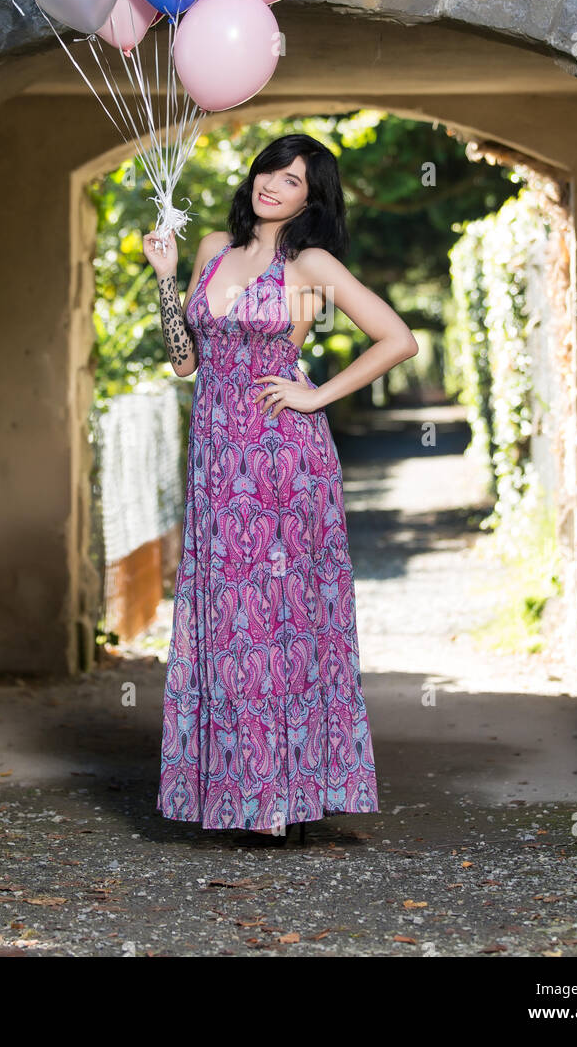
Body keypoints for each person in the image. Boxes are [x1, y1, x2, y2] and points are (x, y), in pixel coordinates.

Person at [144, 133, 418, 844]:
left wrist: (315, 395)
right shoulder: (213, 249)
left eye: (294, 179)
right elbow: (184, 361)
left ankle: (290, 797)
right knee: (226, 620)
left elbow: (398, 339)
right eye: (271, 169)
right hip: (215, 457)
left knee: (283, 622)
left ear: (310, 198)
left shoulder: (311, 263)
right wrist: (166, 278)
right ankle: (242, 793)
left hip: (282, 460)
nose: (274, 183)